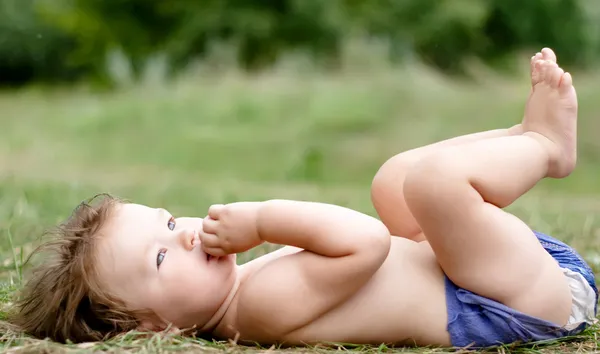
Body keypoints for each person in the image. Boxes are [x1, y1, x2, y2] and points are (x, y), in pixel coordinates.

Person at [11, 48, 597, 349]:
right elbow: (364, 243)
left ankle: (522, 138)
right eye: (161, 257)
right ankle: (546, 147)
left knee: (392, 183)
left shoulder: (241, 290)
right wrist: (264, 219)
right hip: (515, 303)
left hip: (482, 273)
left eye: (167, 222)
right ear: (148, 329)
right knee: (428, 186)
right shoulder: (258, 308)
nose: (184, 233)